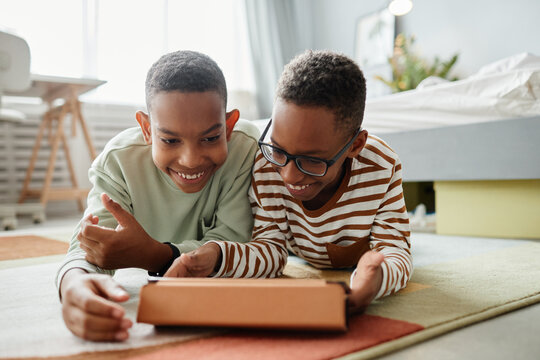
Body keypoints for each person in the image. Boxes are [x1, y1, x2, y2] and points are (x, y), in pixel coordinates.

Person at [165, 50, 412, 312]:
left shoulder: (381, 166)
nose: (289, 176)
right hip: (301, 252)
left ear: (355, 146)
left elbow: (395, 250)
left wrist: (375, 280)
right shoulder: (267, 165)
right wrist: (215, 256)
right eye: (279, 149)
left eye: (313, 161)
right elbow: (270, 250)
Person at [55, 50, 259, 341]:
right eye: (170, 140)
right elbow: (89, 244)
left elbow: (237, 242)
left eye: (211, 138)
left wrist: (153, 254)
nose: (190, 160)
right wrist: (73, 282)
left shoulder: (247, 151)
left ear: (228, 126)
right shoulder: (118, 163)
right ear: (147, 129)